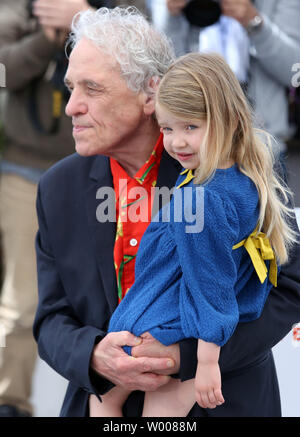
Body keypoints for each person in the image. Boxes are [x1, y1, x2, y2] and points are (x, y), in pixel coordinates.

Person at [33, 7, 300, 417]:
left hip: (221, 402)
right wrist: (95, 356)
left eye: (92, 88)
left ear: (150, 94)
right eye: (71, 87)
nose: (72, 107)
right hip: (105, 403)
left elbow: (288, 289)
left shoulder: (247, 165)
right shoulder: (57, 188)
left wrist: (188, 357)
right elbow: (51, 319)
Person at [87, 52, 297, 417]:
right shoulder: (244, 173)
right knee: (104, 399)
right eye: (168, 129)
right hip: (162, 325)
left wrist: (206, 362)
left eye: (190, 127)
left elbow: (210, 281)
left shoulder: (201, 198)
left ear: (228, 121)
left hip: (166, 330)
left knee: (137, 411)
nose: (177, 143)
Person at [0, 0, 110, 418]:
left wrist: (86, 21)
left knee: (112, 294)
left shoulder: (117, 7)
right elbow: (4, 72)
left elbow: (148, 56)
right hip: (26, 171)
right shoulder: (21, 9)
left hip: (104, 169)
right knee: (22, 300)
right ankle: (10, 402)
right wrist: (49, 37)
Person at [152, 0, 300, 164]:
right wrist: (173, 17)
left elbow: (294, 72)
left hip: (261, 144)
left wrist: (255, 22)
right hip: (190, 145)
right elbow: (164, 75)